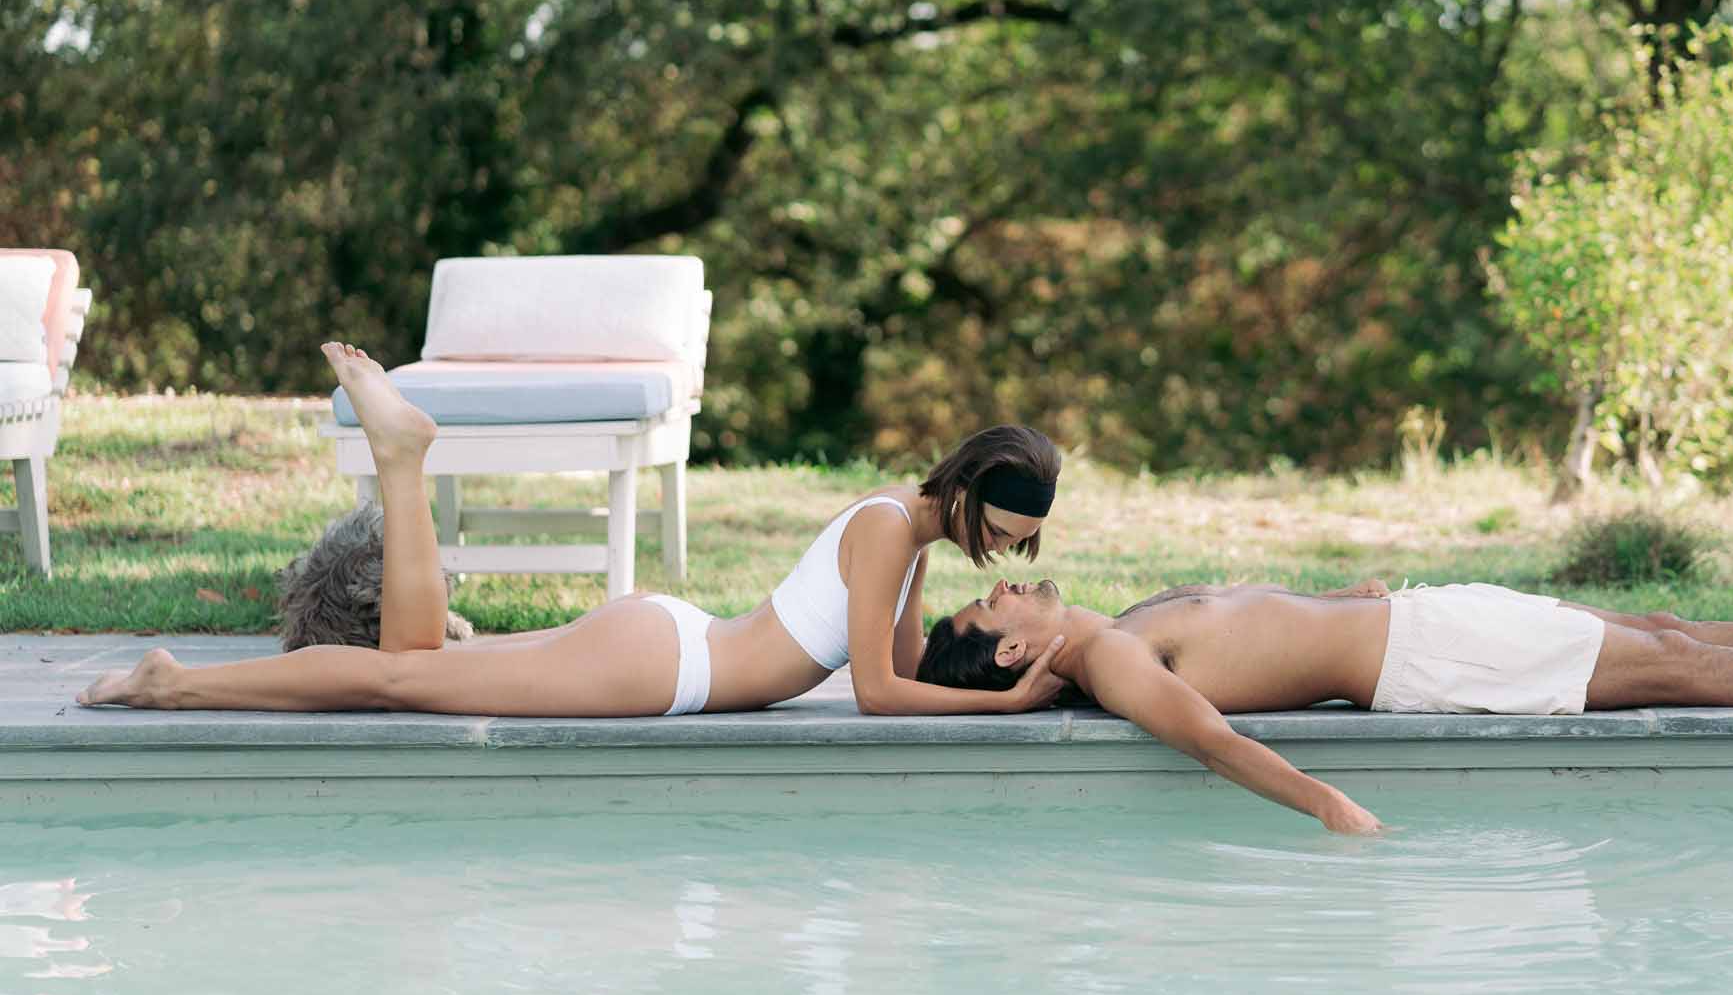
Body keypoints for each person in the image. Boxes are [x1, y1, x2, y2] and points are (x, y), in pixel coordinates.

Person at [78, 343, 1070, 718]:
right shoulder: (892, 532)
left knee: (411, 662)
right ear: (974, 490)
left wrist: (977, 658)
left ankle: (404, 463)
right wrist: (1009, 705)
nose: (1006, 554)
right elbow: (876, 695)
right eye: (1006, 531)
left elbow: (901, 667)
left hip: (669, 646)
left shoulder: (907, 528)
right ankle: (175, 682)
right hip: (664, 669)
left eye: (1019, 546)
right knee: (399, 679)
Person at [915, 540, 1733, 834]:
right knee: (1679, 667)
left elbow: (1263, 640)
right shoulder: (1109, 660)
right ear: (1012, 652)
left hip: (1425, 623)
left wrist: (1339, 599)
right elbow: (1209, 740)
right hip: (1433, 662)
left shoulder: (1126, 622)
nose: (1005, 584)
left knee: (1668, 628)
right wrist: (1324, 803)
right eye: (988, 606)